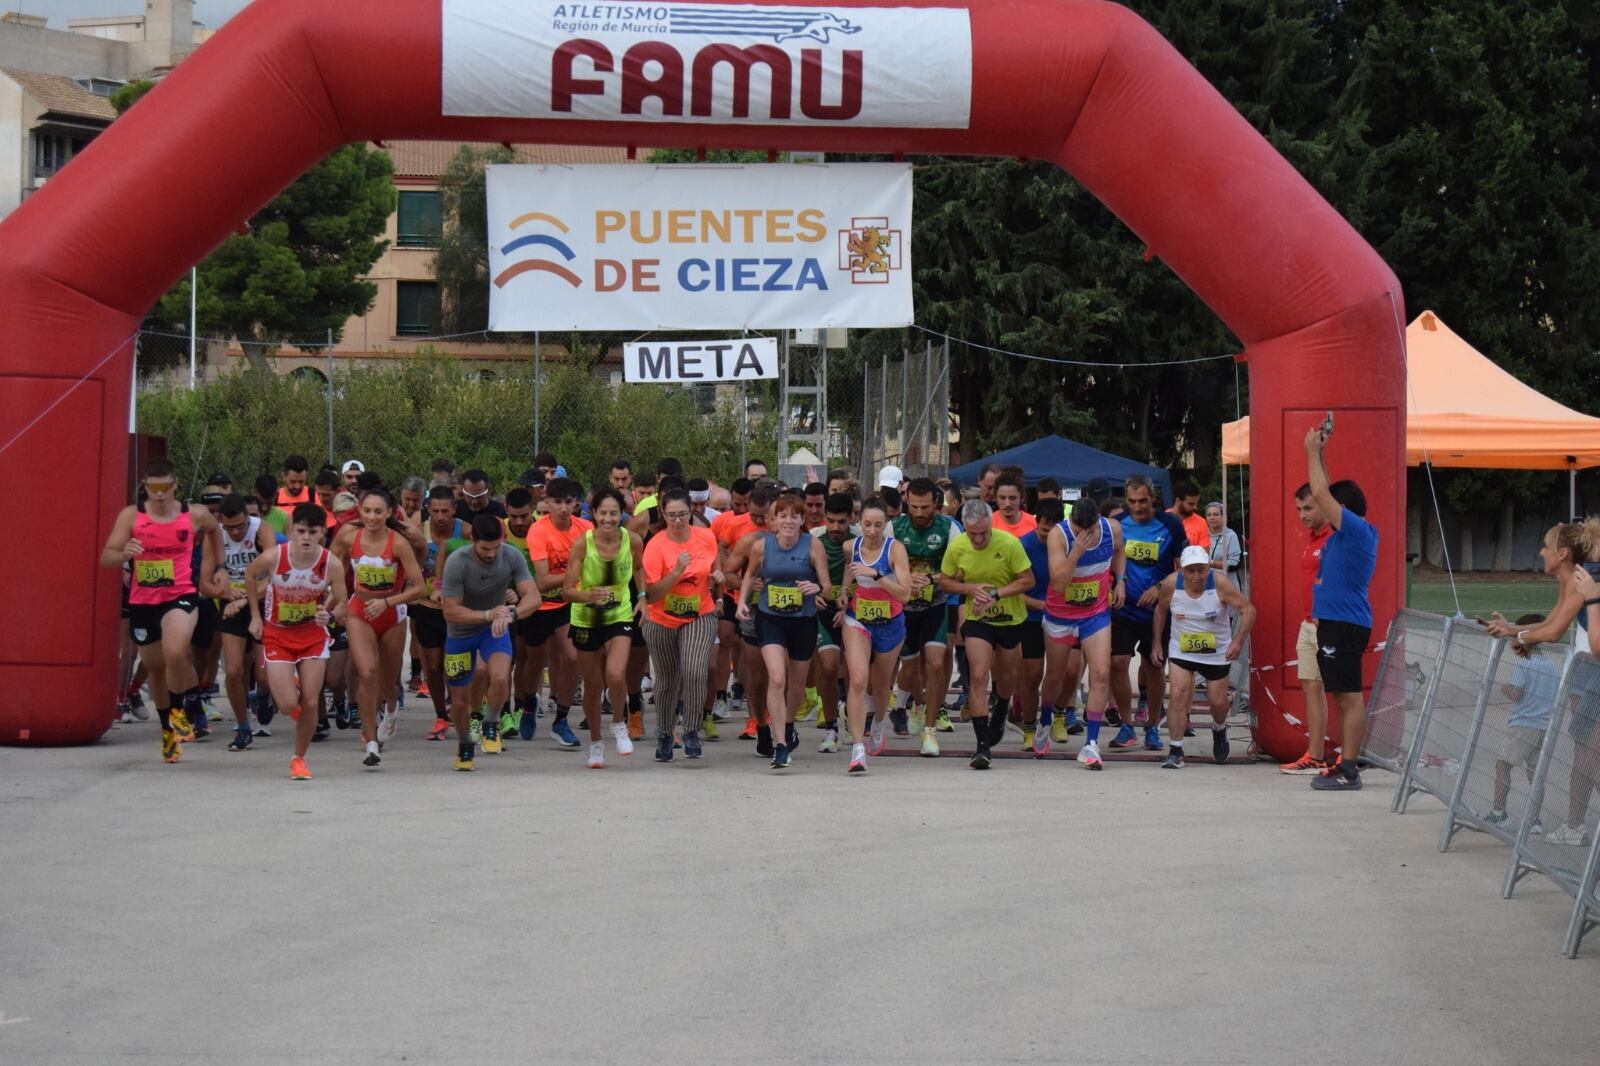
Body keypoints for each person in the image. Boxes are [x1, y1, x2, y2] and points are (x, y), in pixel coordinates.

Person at [100, 458, 225, 762]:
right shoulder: (132, 517)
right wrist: (123, 553)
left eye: (164, 487)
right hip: (144, 601)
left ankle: (181, 710)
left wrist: (216, 566)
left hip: (180, 595)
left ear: (175, 485)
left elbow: (214, 530)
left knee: (176, 651)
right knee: (155, 667)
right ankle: (167, 730)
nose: (158, 494)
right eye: (152, 487)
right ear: (144, 486)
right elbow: (106, 557)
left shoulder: (192, 514)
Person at [1486, 521, 1599, 837]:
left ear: (1562, 554)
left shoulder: (1580, 579)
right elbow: (1550, 622)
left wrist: (1519, 635)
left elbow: (1553, 632)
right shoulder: (1570, 580)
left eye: (1546, 547)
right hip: (1592, 668)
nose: (1540, 552)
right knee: (1587, 748)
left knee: (1591, 751)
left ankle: (1577, 828)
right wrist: (1512, 630)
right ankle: (1576, 827)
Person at [244, 504, 348, 780]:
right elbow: (249, 575)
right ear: (290, 531)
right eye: (300, 531)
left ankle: (298, 759)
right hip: (278, 634)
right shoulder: (274, 557)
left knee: (312, 703)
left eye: (312, 532)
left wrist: (331, 615)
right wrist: (255, 617)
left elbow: (343, 601)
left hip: (313, 636)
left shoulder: (331, 564)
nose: (305, 538)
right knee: (290, 705)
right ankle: (294, 687)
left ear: (322, 533)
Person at [1302, 424, 1379, 792]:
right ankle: (1346, 765)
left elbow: (1320, 492)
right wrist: (1323, 454)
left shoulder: (1356, 530)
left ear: (1342, 511)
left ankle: (1349, 768)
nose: (1319, 508)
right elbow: (1326, 490)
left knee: (1348, 698)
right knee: (1342, 695)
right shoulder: (1347, 531)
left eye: (1332, 506)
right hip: (1337, 623)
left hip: (1345, 624)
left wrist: (1311, 453)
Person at [736, 491, 833, 771]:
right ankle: (780, 745)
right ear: (774, 521)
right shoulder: (761, 546)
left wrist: (816, 588)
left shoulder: (813, 546)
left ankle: (788, 724)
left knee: (797, 683)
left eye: (794, 515)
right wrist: (743, 601)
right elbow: (750, 574)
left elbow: (826, 585)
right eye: (782, 515)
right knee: (776, 678)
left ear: (802, 519)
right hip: (770, 618)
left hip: (803, 620)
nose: (788, 521)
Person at [331, 488, 424, 768]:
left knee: (387, 681)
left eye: (378, 511)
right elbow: (330, 569)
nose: (372, 517)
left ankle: (392, 709)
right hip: (359, 610)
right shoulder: (349, 536)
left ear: (388, 513)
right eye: (367, 511)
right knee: (367, 672)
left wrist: (387, 602)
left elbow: (419, 587)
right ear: (360, 511)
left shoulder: (398, 543)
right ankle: (370, 741)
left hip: (391, 613)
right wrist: (335, 601)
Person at [440, 514, 541, 771]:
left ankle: (492, 722)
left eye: (496, 547)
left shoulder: (511, 555)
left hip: (494, 629)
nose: (491, 554)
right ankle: (465, 744)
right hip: (460, 633)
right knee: (460, 701)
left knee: (499, 677)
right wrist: (486, 614)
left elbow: (533, 596)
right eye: (485, 549)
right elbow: (450, 611)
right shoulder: (457, 562)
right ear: (473, 541)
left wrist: (512, 613)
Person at [938, 499, 1033, 770]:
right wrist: (970, 589)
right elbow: (945, 581)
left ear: (991, 525)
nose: (978, 539)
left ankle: (1001, 708)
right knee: (978, 674)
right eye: (972, 533)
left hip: (1010, 618)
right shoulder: (957, 546)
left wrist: (995, 593)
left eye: (983, 532)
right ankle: (982, 746)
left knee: (1006, 677)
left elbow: (1028, 580)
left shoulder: (1009, 544)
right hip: (977, 618)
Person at [1151, 546, 1255, 768]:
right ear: (1181, 570)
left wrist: (1238, 640)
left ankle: (1219, 728)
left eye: (1202, 570)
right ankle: (1176, 749)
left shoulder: (1220, 584)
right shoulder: (1170, 584)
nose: (1197, 576)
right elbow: (1160, 611)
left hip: (1216, 652)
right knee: (1178, 694)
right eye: (1191, 571)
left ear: (1208, 568)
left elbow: (1248, 610)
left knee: (1217, 701)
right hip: (1182, 649)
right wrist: (1157, 643)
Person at [563, 487, 644, 769]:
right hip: (586, 618)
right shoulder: (582, 545)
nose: (609, 519)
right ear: (593, 514)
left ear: (621, 513)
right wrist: (587, 595)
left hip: (619, 615)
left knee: (616, 673)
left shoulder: (632, 540)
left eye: (613, 513)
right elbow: (566, 591)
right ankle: (595, 743)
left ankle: (619, 723)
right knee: (594, 685)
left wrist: (642, 597)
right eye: (603, 513)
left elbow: (638, 569)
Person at [642, 486, 724, 762]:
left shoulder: (705, 536)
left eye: (683, 514)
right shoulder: (655, 547)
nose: (678, 521)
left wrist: (719, 578)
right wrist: (676, 571)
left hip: (699, 613)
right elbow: (652, 594)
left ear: (692, 512)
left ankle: (691, 730)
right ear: (663, 515)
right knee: (666, 681)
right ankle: (665, 733)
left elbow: (715, 565)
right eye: (672, 515)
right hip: (661, 618)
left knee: (694, 670)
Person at [1045, 498, 1123, 769]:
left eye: (1087, 531)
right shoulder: (1059, 535)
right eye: (1078, 530)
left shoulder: (1112, 529)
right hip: (1061, 614)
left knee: (1101, 673)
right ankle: (1046, 719)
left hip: (1095, 613)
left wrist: (1120, 580)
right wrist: (1076, 551)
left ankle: (1091, 744)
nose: (1084, 536)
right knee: (1057, 674)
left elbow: (1120, 551)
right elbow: (1057, 583)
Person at [1110, 474, 1186, 752]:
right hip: (1124, 608)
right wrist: (1118, 582)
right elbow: (1109, 560)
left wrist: (1159, 586)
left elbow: (1185, 568)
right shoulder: (1118, 524)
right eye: (1132, 501)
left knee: (1154, 667)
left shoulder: (1171, 525)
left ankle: (1152, 725)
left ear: (1152, 498)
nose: (1138, 507)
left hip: (1159, 611)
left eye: (1143, 501)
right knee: (1117, 662)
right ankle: (1126, 725)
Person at [841, 497, 911, 772]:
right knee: (858, 680)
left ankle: (880, 722)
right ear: (859, 522)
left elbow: (905, 594)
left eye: (878, 525)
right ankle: (858, 748)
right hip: (858, 619)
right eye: (867, 524)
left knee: (881, 686)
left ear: (886, 525)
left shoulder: (895, 550)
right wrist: (845, 592)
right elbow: (850, 573)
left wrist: (878, 574)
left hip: (890, 621)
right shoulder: (851, 546)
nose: (872, 531)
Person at [892, 478, 959, 754]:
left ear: (936, 504)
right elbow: (880, 563)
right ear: (907, 501)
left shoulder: (949, 528)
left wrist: (931, 578)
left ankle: (930, 731)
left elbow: (960, 571)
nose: (919, 513)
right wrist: (906, 578)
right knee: (908, 671)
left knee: (934, 663)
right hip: (903, 609)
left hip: (936, 605)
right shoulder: (894, 527)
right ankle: (918, 702)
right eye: (914, 507)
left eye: (925, 508)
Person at [524, 477, 592, 748]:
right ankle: (529, 703)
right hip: (539, 604)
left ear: (576, 503)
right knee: (534, 662)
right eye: (557, 502)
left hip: (568, 604)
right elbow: (542, 581)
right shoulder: (538, 531)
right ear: (546, 503)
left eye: (568, 502)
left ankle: (561, 720)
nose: (563, 508)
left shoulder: (586, 529)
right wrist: (576, 573)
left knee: (572, 657)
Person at [1482, 615, 1560, 828]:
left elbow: (1516, 693)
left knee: (1503, 766)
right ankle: (1534, 820)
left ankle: (1499, 813)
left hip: (1524, 724)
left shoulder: (1525, 663)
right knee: (1534, 773)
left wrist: (1505, 687)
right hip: (1544, 725)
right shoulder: (1552, 666)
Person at [1281, 484, 1339, 774]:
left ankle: (1346, 754)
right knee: (1311, 688)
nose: (1302, 515)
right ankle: (1315, 754)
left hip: (1330, 625)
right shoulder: (1311, 539)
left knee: (1343, 691)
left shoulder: (1336, 539)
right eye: (1298, 510)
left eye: (1308, 508)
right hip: (1308, 625)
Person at [213, 494, 274, 751]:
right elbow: (205, 581)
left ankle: (263, 695)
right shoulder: (215, 535)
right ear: (221, 521)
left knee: (262, 675)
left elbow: (275, 576)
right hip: (232, 604)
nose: (236, 532)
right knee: (235, 671)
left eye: (240, 526)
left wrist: (244, 599)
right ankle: (243, 727)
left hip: (260, 599)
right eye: (230, 527)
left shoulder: (261, 530)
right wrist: (225, 593)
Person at [413, 486, 469, 741]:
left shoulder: (466, 531)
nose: (440, 516)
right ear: (428, 510)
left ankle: (459, 710)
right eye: (434, 511)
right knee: (433, 666)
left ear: (454, 511)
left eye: (445, 511)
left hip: (455, 609)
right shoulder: (418, 529)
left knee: (453, 665)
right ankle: (439, 716)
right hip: (425, 607)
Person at [810, 493, 854, 753]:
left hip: (854, 609)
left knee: (854, 670)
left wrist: (849, 599)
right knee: (827, 667)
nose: (835, 527)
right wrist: (813, 593)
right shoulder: (814, 538)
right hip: (824, 609)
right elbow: (801, 569)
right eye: (831, 521)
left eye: (841, 522)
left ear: (852, 518)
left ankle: (850, 715)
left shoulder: (861, 537)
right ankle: (830, 726)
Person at [1016, 499, 1061, 753]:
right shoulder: (1023, 545)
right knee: (1032, 674)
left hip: (1060, 617)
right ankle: (1030, 725)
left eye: (1052, 532)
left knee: (1061, 673)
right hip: (1031, 616)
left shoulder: (1067, 544)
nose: (1047, 537)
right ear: (1037, 522)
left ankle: (1057, 715)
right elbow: (1013, 590)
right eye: (1043, 531)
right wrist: (1037, 604)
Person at [992, 470, 1037, 540]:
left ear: (1022, 498)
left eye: (1012, 498)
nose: (1007, 504)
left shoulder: (1034, 524)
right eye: (1002, 498)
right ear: (995, 498)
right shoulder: (988, 524)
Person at [1169, 479, 1210, 549]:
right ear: (1178, 501)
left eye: (1196, 503)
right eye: (1191, 504)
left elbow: (1204, 555)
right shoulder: (1162, 520)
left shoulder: (1201, 522)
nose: (1195, 507)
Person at [1205, 502, 1241, 574]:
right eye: (1209, 515)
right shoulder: (1202, 534)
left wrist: (1213, 564)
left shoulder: (1231, 535)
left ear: (1223, 517)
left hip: (1227, 581)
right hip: (1207, 582)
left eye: (1216, 514)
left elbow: (1234, 564)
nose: (1212, 517)